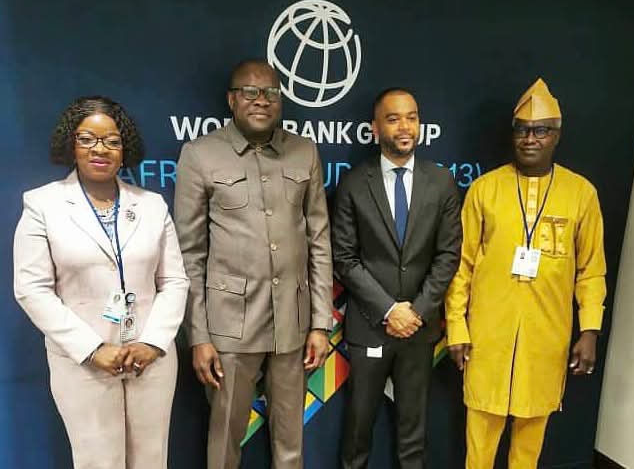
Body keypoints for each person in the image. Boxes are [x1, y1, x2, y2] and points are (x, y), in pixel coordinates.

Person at [13, 95, 189, 469]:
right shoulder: (43, 205)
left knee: (151, 460)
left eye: (112, 141)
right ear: (71, 144)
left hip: (149, 360)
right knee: (98, 462)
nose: (100, 149)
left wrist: (152, 342)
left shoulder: (152, 205)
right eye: (87, 139)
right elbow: (31, 288)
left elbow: (174, 280)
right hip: (84, 363)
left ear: (125, 149)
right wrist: (93, 348)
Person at [174, 59, 333, 469]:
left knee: (291, 442)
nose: (261, 100)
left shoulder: (304, 152)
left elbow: (319, 241)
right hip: (228, 329)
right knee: (225, 440)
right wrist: (199, 335)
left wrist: (320, 323)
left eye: (271, 93)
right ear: (232, 100)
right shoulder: (200, 155)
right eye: (250, 92)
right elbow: (189, 255)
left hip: (292, 325)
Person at [445, 78, 607, 469]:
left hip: (546, 337)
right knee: (480, 439)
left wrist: (589, 330)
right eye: (522, 130)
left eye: (541, 131)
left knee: (530, 440)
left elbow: (591, 270)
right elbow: (461, 265)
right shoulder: (485, 189)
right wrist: (456, 327)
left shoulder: (581, 194)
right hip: (488, 335)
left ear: (557, 135)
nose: (530, 139)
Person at [332, 88, 462, 469]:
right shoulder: (354, 183)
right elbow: (344, 258)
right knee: (358, 429)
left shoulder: (441, 182)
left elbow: (448, 255)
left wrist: (416, 311)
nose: (405, 127)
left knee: (413, 434)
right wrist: (390, 310)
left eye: (412, 117)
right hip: (370, 327)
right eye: (393, 119)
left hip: (419, 330)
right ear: (375, 128)